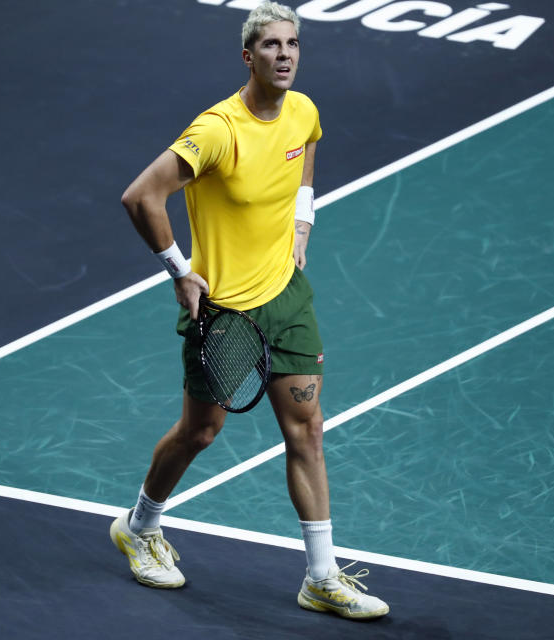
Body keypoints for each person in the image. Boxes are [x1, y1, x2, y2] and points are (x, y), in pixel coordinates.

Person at [113, 1, 389, 620]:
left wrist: (303, 218)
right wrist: (181, 273)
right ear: (249, 56)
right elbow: (141, 196)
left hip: (286, 299)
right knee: (202, 432)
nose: (285, 55)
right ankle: (138, 525)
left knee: (308, 429)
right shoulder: (217, 131)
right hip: (225, 313)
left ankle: (320, 576)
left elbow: (306, 148)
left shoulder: (303, 109)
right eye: (271, 46)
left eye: (292, 44)